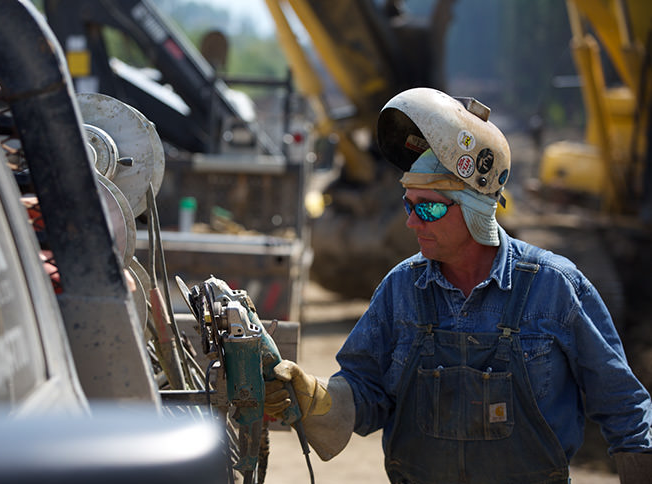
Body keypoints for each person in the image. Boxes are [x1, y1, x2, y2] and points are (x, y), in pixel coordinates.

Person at [264, 87, 652, 483]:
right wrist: (318, 399)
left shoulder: (554, 288)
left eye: (428, 207)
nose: (412, 222)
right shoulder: (402, 288)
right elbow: (366, 389)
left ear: (477, 205)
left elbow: (624, 406)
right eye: (408, 204)